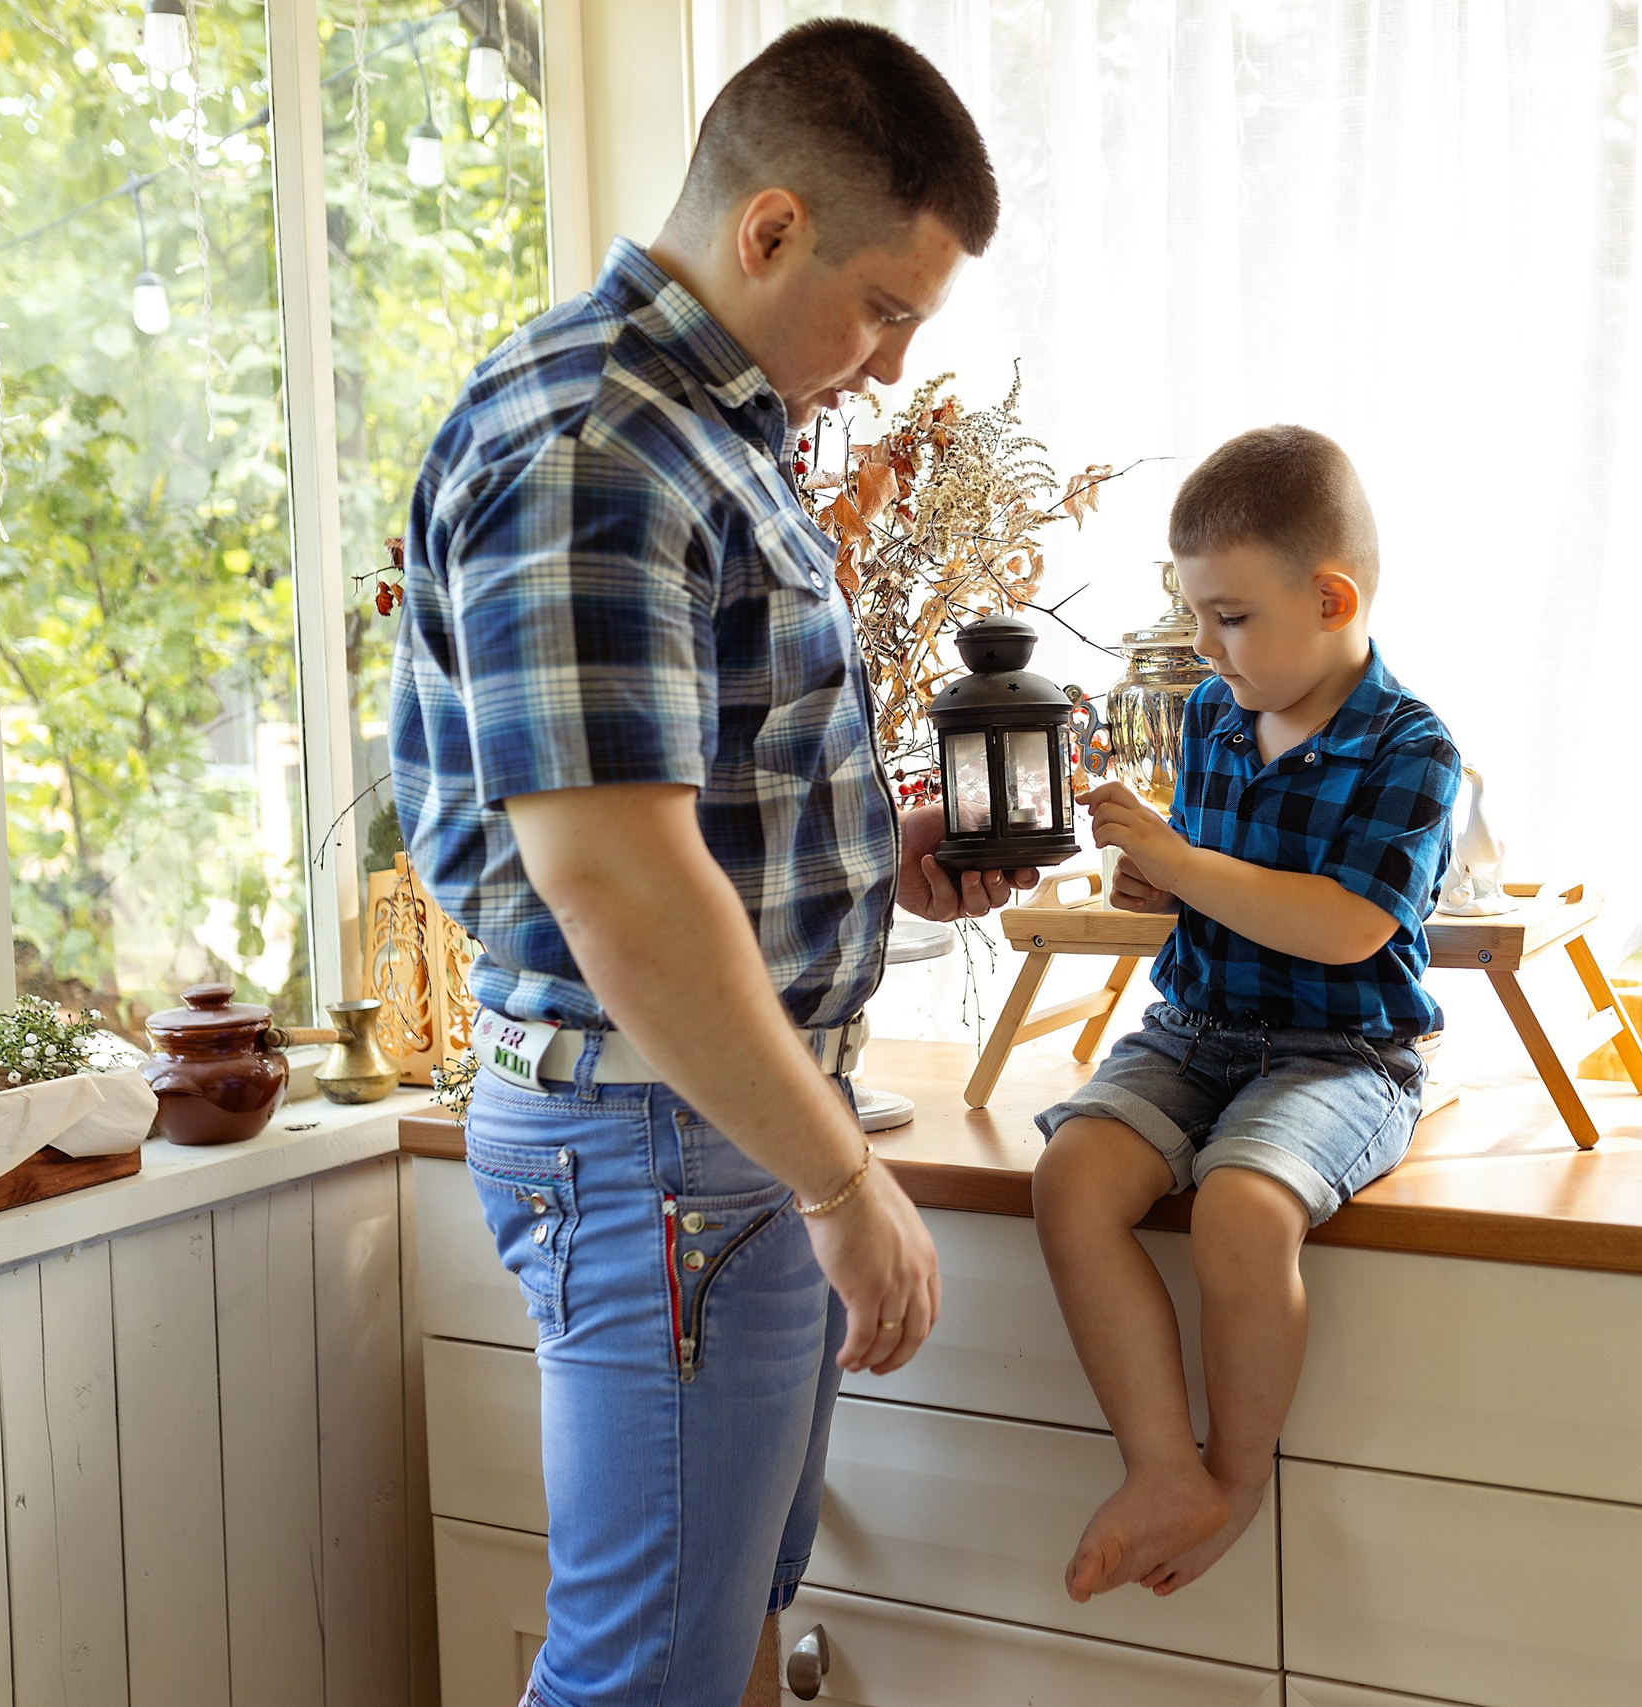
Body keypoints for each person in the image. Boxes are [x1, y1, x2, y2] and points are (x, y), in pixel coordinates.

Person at [388, 22, 1028, 1706]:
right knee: (640, 1679)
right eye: (882, 306)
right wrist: (840, 1182)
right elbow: (612, 887)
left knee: (725, 1632)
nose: (890, 365)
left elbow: (685, 812)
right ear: (768, 228)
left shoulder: (713, 427)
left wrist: (879, 854)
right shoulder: (599, 446)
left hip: (700, 1128)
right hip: (660, 1141)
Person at [1033, 425, 1462, 1602]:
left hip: (1343, 1052)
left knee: (1238, 1208)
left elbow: (1342, 926)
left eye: (1227, 616)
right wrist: (1159, 881)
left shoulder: (1409, 747)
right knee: (1070, 1180)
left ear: (1330, 598)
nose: (1203, 646)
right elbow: (1213, 890)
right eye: (1193, 616)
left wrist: (1182, 856)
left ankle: (1237, 1475)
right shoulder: (1218, 721)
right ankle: (1162, 1466)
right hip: (1199, 1030)